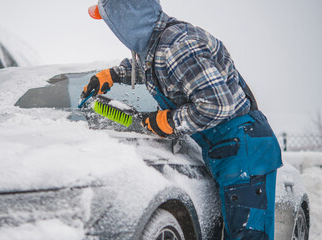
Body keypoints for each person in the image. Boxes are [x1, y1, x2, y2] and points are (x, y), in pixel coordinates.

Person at [81, 1, 283, 239]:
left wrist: (167, 122)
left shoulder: (179, 47)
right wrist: (114, 74)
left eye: (111, 21)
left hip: (244, 149)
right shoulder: (159, 45)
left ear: (127, 20)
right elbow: (160, 69)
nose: (111, 28)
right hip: (227, 148)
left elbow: (218, 104)